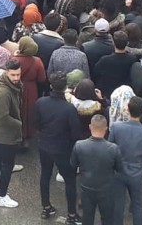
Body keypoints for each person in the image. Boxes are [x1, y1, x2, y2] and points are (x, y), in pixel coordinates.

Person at [34, 71, 83, 224]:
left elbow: (36, 124)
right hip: (63, 149)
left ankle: (46, 207)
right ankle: (71, 214)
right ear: (65, 87)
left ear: (51, 86)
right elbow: (75, 133)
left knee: (45, 175)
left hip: (44, 145)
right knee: (70, 181)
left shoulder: (41, 102)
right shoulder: (69, 109)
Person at [108, 95, 142, 225]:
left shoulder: (116, 127)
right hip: (137, 173)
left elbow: (110, 148)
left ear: (127, 109)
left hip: (118, 171)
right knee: (137, 205)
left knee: (118, 204)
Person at [71, 114, 123, 225]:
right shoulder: (113, 149)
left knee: (87, 217)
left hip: (86, 188)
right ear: (106, 128)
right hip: (106, 190)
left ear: (90, 127)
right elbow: (119, 168)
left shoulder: (79, 145)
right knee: (107, 219)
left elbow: (73, 165)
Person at [0, 58, 23, 208]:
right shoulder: (4, 92)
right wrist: (19, 124)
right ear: (6, 73)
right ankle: (1, 196)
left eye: (18, 74)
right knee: (7, 165)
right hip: (6, 134)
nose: (16, 78)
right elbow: (3, 116)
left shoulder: (7, 86)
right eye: (13, 75)